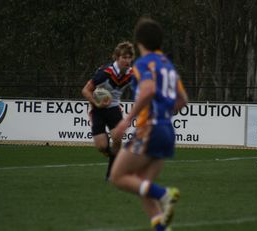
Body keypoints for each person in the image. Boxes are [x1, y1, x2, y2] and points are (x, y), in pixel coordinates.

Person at [110, 18, 188, 231]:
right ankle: (162, 228)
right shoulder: (168, 65)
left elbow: (147, 90)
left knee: (117, 176)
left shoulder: (144, 63)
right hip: (167, 129)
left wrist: (126, 121)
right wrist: (163, 115)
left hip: (150, 128)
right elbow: (183, 100)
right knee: (143, 185)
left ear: (138, 42)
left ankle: (164, 194)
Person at [82, 41, 135, 180]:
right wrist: (96, 103)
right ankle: (114, 157)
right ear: (117, 58)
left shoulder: (132, 74)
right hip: (97, 109)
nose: (127, 60)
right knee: (102, 146)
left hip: (114, 108)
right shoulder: (105, 73)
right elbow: (85, 90)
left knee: (117, 138)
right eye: (124, 57)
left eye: (129, 57)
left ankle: (112, 174)